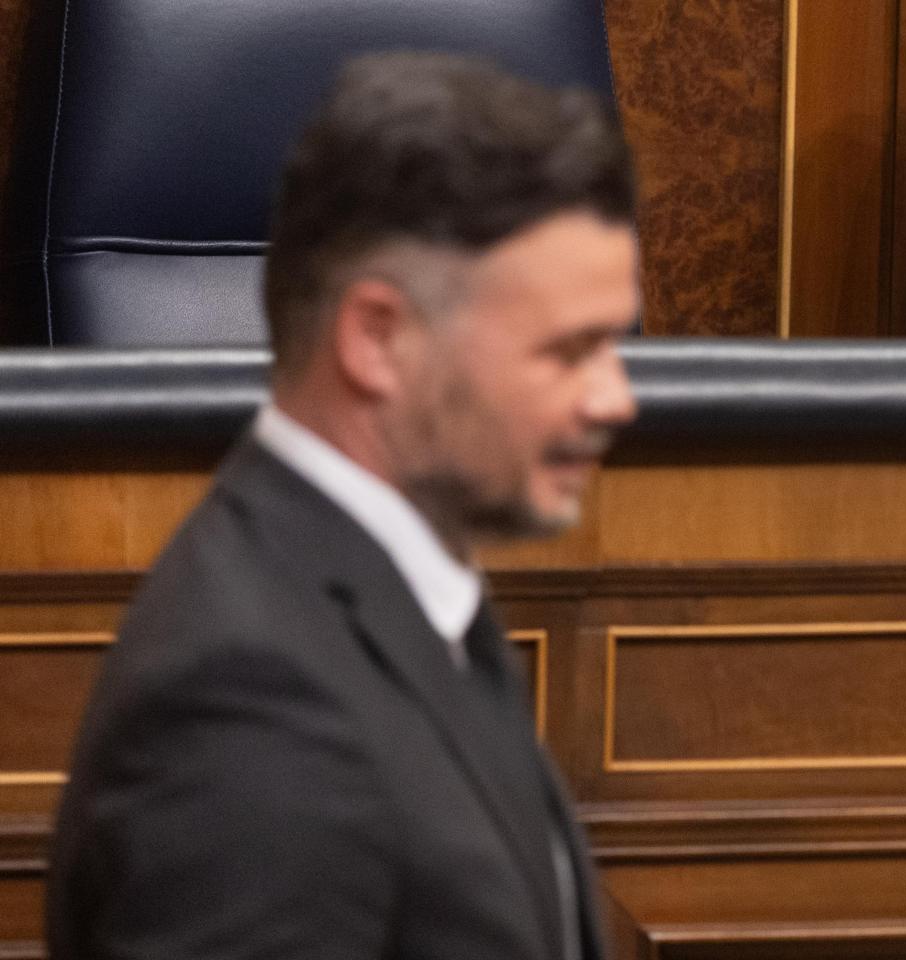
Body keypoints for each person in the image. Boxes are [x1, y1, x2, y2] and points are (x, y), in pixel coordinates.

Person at [47, 52, 637, 959]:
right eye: (568, 351)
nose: (616, 400)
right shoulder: (249, 706)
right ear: (376, 339)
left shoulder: (401, 598)